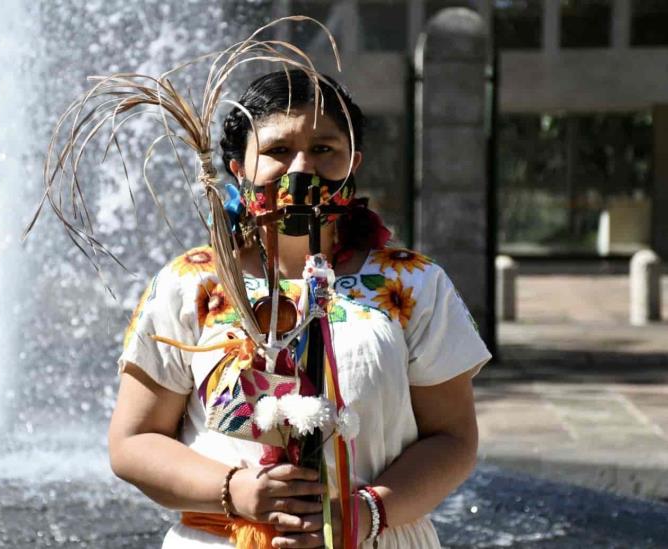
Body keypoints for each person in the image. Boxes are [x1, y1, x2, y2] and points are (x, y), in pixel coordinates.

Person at [108, 69, 491, 548]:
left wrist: (361, 515)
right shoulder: (193, 283)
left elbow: (453, 439)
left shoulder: (410, 283)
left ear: (353, 162)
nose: (301, 169)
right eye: (278, 150)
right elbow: (133, 442)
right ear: (238, 168)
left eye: (324, 149)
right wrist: (237, 492)